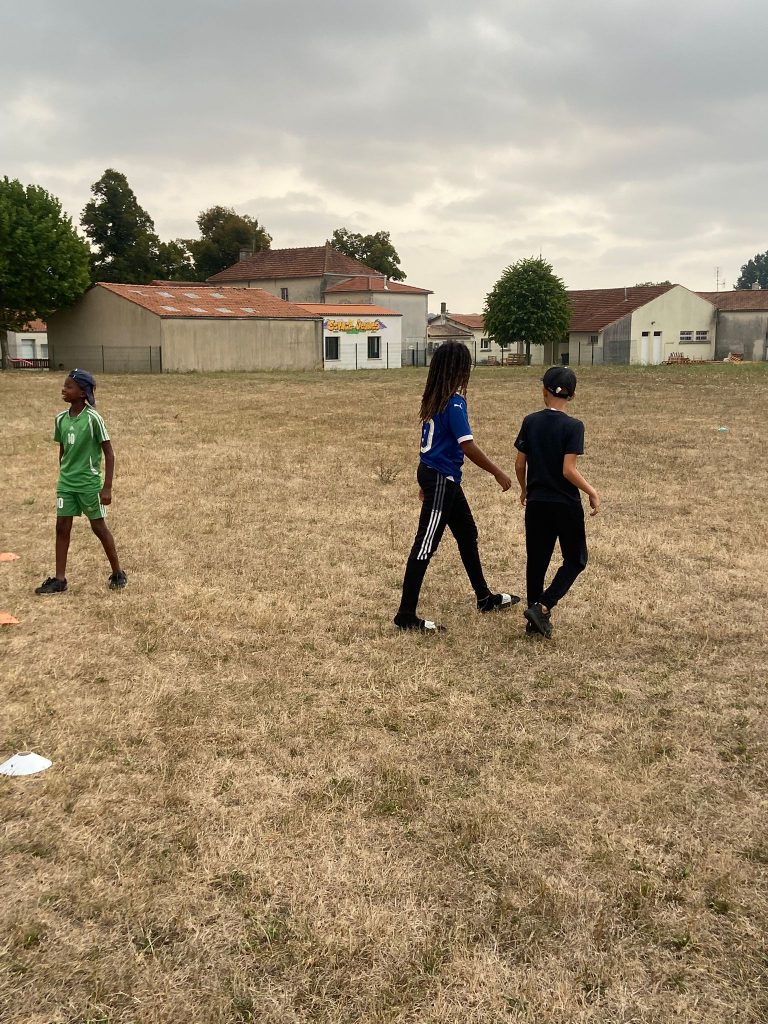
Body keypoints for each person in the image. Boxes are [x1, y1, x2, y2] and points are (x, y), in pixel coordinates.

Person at [394, 341, 518, 633]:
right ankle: (405, 615)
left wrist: (424, 481)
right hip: (441, 479)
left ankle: (484, 598)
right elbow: (467, 445)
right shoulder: (454, 402)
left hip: (439, 476)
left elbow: (432, 443)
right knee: (425, 545)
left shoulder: (434, 398)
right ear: (459, 370)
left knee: (467, 533)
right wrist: (498, 472)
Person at [514, 366, 599, 638]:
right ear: (572, 396)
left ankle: (533, 621)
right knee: (575, 559)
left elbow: (519, 464)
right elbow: (568, 470)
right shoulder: (574, 426)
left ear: (543, 391)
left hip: (537, 503)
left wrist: (525, 489)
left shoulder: (530, 421)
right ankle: (543, 607)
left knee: (536, 561)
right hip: (565, 504)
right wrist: (591, 491)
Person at [35, 369, 127, 595]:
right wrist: (63, 475)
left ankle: (118, 573)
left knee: (98, 527)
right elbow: (63, 450)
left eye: (69, 386)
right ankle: (60, 579)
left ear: (83, 393)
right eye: (64, 385)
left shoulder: (94, 419)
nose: (63, 389)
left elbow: (109, 454)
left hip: (89, 484)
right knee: (61, 527)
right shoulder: (60, 419)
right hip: (66, 484)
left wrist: (107, 487)